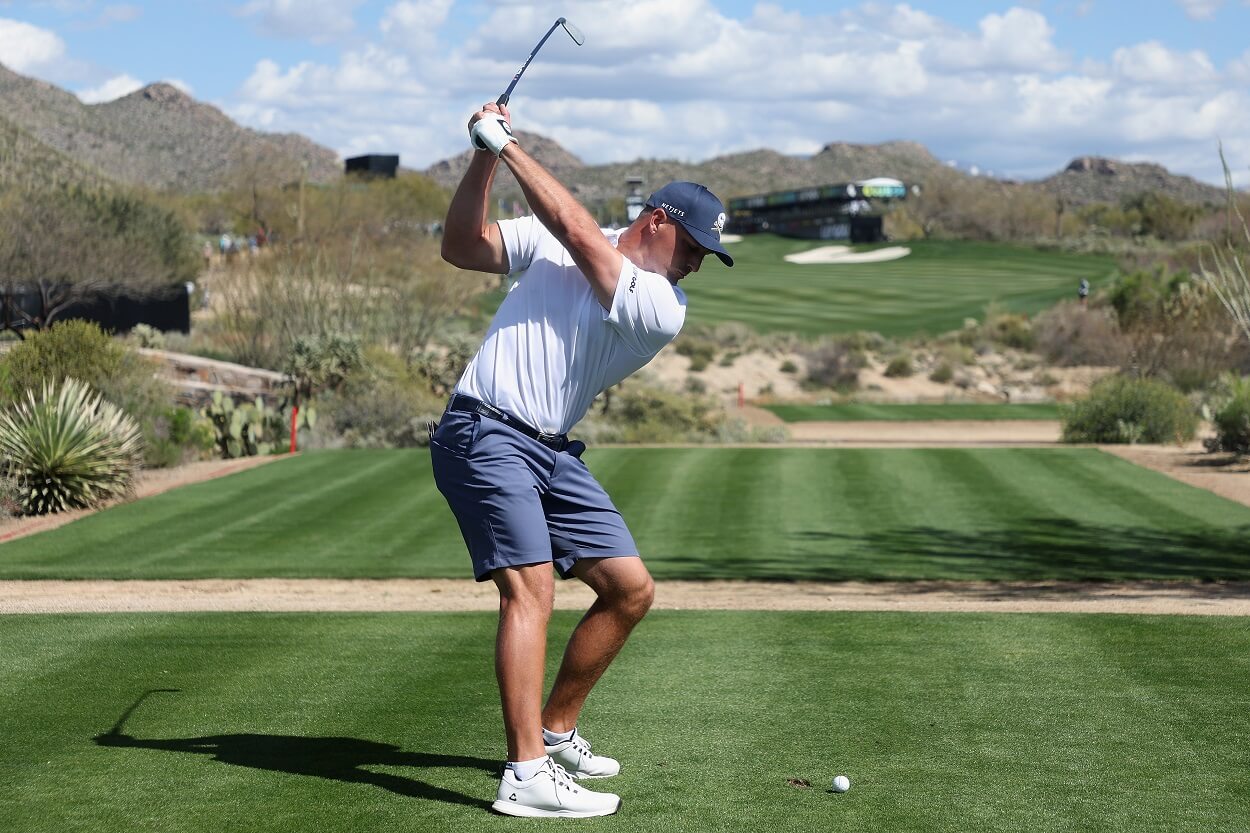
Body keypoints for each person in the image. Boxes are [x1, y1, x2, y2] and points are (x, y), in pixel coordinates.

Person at [431, 101, 733, 819]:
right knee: (531, 589)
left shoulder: (661, 304)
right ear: (658, 220)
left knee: (630, 589)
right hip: (485, 432)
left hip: (549, 449)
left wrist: (504, 143)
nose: (695, 263)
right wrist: (481, 157)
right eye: (692, 245)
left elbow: (573, 228)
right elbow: (461, 247)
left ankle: (555, 730)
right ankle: (525, 773)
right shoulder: (562, 238)